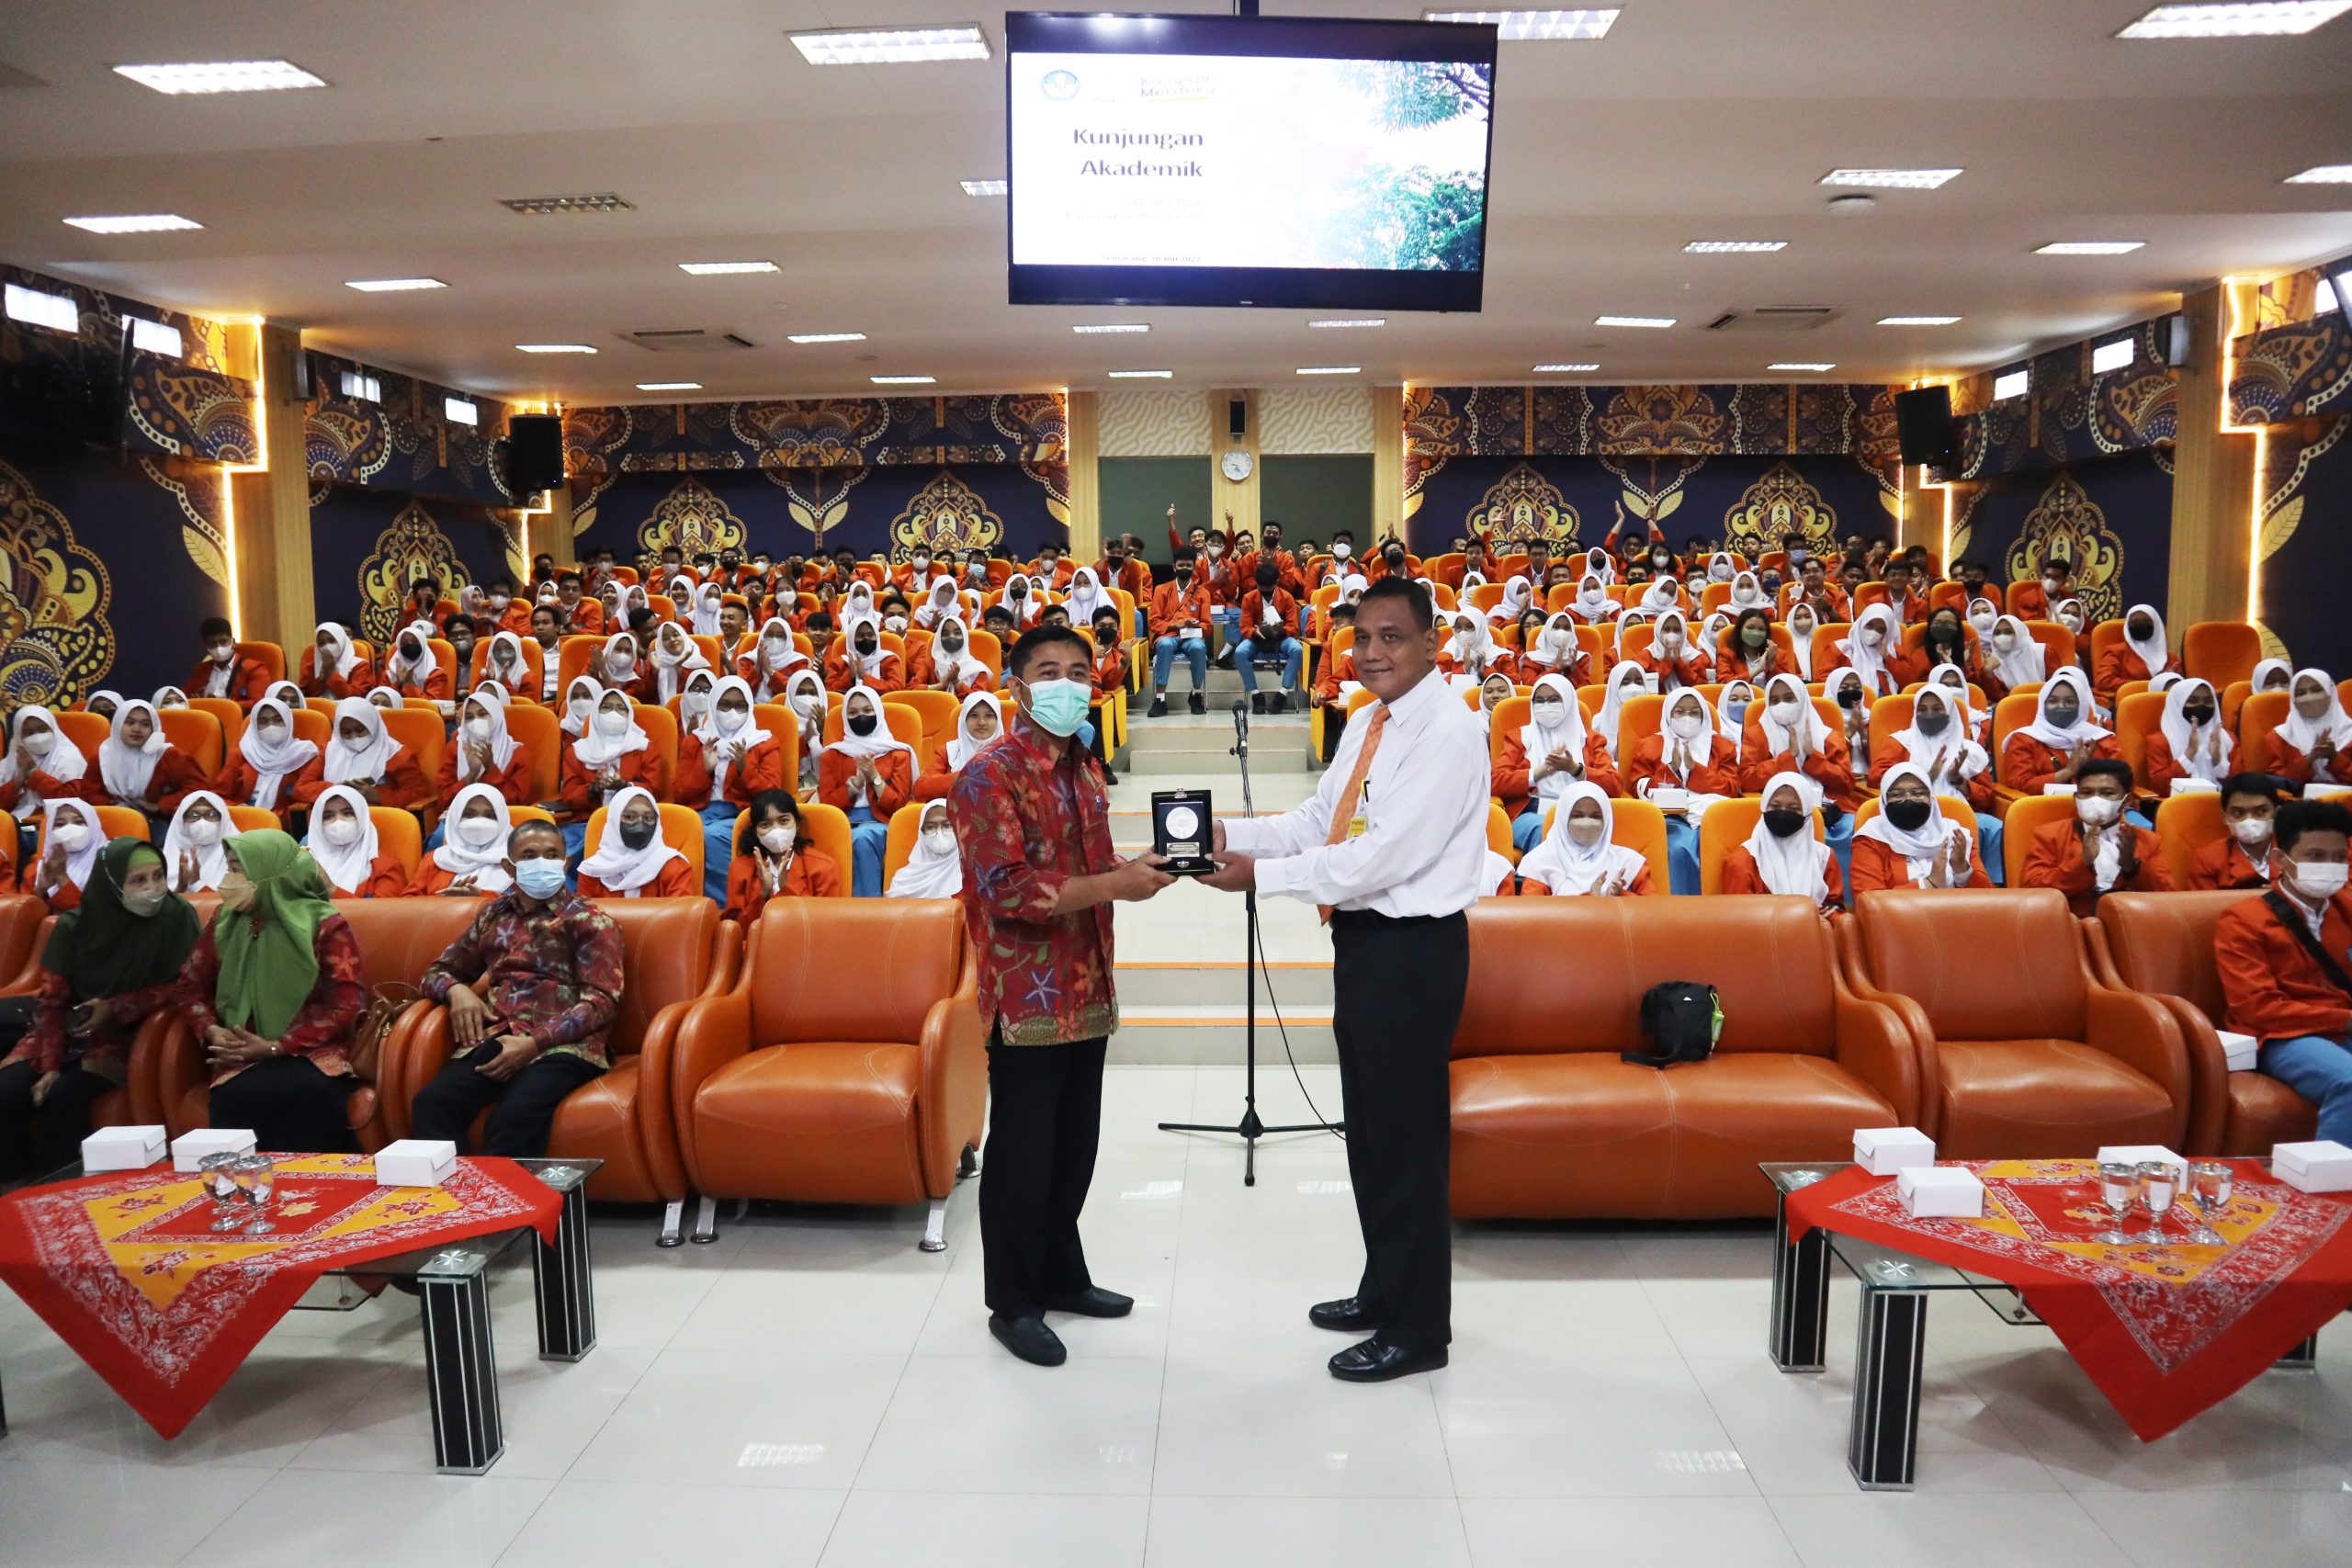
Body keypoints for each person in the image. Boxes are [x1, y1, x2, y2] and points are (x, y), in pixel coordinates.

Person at [1198, 576, 1485, 1383]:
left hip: (1414, 950)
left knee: (1405, 1143)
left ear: (1433, 644)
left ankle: (1419, 1327)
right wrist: (1227, 830)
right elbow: (1317, 823)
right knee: (1370, 1131)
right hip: (1363, 944)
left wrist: (1261, 875)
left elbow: (1382, 856)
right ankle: (1383, 1287)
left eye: (1392, 636)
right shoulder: (1367, 721)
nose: (1372, 652)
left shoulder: (1448, 730)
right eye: (1361, 638)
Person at [946, 622, 1171, 1369]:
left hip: (1089, 981)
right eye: (1050, 670)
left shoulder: (1084, 767)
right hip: (1027, 991)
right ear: (1018, 685)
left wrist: (1137, 869)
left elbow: (1095, 863)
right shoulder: (990, 773)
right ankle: (1012, 1301)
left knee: (1075, 1146)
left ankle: (1062, 1275)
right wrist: (1114, 884)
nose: (1068, 683)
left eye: (1080, 669)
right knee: (1023, 1152)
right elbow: (1005, 887)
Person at [409, 817, 624, 1157]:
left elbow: (602, 1001)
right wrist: (457, 991)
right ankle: (453, 1205)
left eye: (552, 854)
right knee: (432, 1103)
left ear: (566, 863)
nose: (543, 862)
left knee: (513, 1117)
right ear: (510, 868)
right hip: (499, 1036)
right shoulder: (493, 916)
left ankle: (510, 1209)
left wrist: (533, 1043)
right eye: (530, 855)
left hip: (565, 1047)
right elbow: (437, 972)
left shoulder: (590, 921)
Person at [0, 837, 202, 1178]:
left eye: (157, 876)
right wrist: (50, 1065)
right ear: (111, 882)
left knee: (64, 1098)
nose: (152, 888)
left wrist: (116, 1007)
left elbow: (187, 986)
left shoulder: (176, 916)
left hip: (125, 1036)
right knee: (7, 1092)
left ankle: (57, 1189)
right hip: (64, 1031)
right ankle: (14, 1189)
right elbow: (53, 999)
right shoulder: (75, 926)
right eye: (138, 880)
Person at [177, 830, 368, 1153]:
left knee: (310, 1093)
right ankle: (245, 1195)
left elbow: (347, 1007)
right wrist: (211, 1029)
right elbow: (189, 987)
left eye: (239, 870)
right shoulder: (224, 921)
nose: (229, 880)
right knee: (237, 1096)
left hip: (310, 1054)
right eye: (229, 869)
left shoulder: (325, 924)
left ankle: (315, 1191)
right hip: (239, 1053)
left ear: (268, 872)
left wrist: (277, 1047)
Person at [2216, 800, 2352, 1144]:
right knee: (2349, 1082)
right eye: (2316, 856)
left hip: (2342, 1024)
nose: (2330, 867)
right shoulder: (2243, 919)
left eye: (2339, 858)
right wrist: (2344, 1020)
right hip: (2281, 1036)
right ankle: (2333, 1194)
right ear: (2281, 860)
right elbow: (2257, 1009)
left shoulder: (2347, 907)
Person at [2020, 759, 2170, 914]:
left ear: (2127, 801)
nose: (2095, 800)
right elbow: (2033, 893)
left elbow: (2167, 898)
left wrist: (2132, 867)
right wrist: (2082, 862)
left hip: (2129, 923)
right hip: (2069, 924)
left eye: (2107, 793)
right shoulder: (2049, 835)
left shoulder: (2147, 840)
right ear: (2075, 799)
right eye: (2086, 793)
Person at [1492, 672, 1619, 852]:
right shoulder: (1519, 737)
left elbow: (1614, 784)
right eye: (1540, 701)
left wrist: (1575, 770)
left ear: (1567, 702)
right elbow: (1496, 782)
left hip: (1583, 812)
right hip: (1533, 813)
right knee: (1550, 829)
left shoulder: (1590, 740)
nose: (1546, 706)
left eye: (1553, 700)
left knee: (1585, 829)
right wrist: (1539, 772)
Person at [1632, 687, 1739, 894]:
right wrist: (1671, 769)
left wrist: (1695, 770)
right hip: (1668, 818)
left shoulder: (1723, 746)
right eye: (1679, 712)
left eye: (1694, 712)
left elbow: (1731, 788)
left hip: (1712, 817)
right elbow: (1638, 788)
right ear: (1668, 714)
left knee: (1722, 851)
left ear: (1704, 715)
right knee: (1678, 850)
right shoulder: (1650, 745)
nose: (1687, 718)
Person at [820, 684, 916, 897]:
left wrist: (873, 776)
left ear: (878, 713)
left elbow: (898, 805)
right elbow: (826, 806)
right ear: (845, 717)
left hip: (881, 822)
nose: (860, 716)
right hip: (842, 822)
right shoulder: (833, 754)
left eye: (867, 710)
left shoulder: (898, 753)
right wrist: (852, 789)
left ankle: (868, 909)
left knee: (862, 838)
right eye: (852, 712)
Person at [1849, 762, 1992, 892]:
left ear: (1931, 799)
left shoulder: (1956, 835)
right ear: (1885, 800)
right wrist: (1929, 883)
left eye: (1918, 793)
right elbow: (1869, 901)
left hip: (1959, 917)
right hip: (1898, 920)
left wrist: (1963, 870)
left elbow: (1989, 900)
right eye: (1897, 794)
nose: (1908, 799)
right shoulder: (1871, 838)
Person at [555, 683, 656, 853]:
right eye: (606, 708)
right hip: (586, 821)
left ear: (629, 715)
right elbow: (569, 795)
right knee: (564, 851)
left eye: (620, 708)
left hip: (632, 822)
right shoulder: (578, 751)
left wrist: (624, 787)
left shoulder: (644, 748)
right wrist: (593, 789)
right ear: (596, 714)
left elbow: (654, 789)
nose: (613, 714)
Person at [1723, 772, 1842, 908]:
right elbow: (1739, 920)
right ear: (1764, 808)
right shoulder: (1741, 863)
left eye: (1794, 809)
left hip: (1815, 928)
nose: (1783, 813)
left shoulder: (1824, 858)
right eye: (1775, 807)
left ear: (1807, 815)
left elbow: (1836, 911)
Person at [1514, 783, 1657, 897]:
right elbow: (1532, 919)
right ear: (1563, 819)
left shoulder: (1629, 863)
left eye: (1595, 817)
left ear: (1607, 820)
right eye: (1577, 816)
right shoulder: (1541, 862)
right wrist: (1591, 901)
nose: (1587, 823)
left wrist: (1621, 897)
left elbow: (1653, 912)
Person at [2001, 667, 2120, 797]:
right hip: (2046, 809)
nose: (2061, 706)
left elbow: (2123, 779)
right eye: (2053, 701)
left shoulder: (2100, 738)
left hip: (2104, 808)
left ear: (2081, 706)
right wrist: (2068, 772)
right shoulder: (2024, 739)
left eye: (2070, 702)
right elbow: (2020, 785)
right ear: (2043, 705)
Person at [722, 789, 842, 918]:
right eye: (765, 825)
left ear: (797, 824)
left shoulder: (824, 868)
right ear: (755, 831)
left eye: (784, 821)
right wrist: (762, 894)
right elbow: (735, 931)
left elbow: (825, 926)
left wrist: (787, 889)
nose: (776, 830)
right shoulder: (740, 869)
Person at [299, 695, 429, 810]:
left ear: (372, 725)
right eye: (346, 732)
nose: (354, 736)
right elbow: (301, 787)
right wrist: (335, 787)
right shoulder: (329, 751)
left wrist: (376, 795)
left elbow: (418, 793)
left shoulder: (396, 755)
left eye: (360, 730)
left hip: (377, 816)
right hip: (333, 815)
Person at [575, 784, 695, 898]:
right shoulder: (592, 871)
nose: (640, 824)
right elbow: (582, 918)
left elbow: (682, 917)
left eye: (648, 818)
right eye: (630, 817)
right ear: (614, 821)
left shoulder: (673, 865)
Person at [94, 698, 207, 818]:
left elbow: (199, 787)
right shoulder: (104, 756)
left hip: (158, 819)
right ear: (117, 725)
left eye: (145, 724)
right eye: (129, 722)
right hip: (115, 817)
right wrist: (111, 803)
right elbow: (87, 792)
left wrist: (160, 805)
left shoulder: (169, 756)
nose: (137, 729)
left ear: (154, 729)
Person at [216, 695, 319, 815]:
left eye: (278, 720)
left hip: (282, 822)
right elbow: (218, 795)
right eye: (263, 722)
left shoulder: (303, 754)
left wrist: (270, 818)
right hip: (241, 817)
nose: (271, 726)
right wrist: (239, 810)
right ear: (254, 727)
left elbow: (302, 799)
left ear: (288, 722)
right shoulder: (241, 754)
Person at [408, 783, 515, 897]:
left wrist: (481, 897)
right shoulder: (435, 860)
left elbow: (527, 908)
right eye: (469, 815)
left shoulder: (518, 862)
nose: (479, 823)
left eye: (490, 816)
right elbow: (406, 905)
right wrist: (444, 902)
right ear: (455, 819)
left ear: (503, 821)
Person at [304, 784, 408, 897]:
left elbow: (385, 914)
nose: (339, 822)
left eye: (347, 813)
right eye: (328, 816)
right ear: (318, 824)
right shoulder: (304, 865)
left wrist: (332, 889)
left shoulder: (385, 867)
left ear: (361, 818)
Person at [437, 691, 532, 810]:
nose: (476, 721)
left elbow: (517, 803)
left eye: (482, 714)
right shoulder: (455, 748)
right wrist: (471, 775)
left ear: (496, 717)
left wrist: (491, 768)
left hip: (503, 818)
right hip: (460, 816)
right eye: (470, 717)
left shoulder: (518, 754)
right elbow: (443, 801)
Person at [1, 705, 92, 829]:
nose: (37, 738)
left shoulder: (69, 757)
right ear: (19, 737)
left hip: (57, 822)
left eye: (43, 729)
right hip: (14, 823)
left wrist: (34, 774)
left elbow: (72, 802)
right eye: (29, 733)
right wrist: (18, 781)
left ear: (53, 728)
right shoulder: (11, 761)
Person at [1148, 547, 1213, 716]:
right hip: (1169, 635)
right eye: (1181, 565)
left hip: (1192, 637)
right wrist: (1179, 624)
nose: (1185, 568)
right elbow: (1154, 623)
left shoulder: (1203, 593)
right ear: (1174, 566)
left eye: (1188, 565)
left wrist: (1195, 625)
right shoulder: (1161, 590)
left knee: (1199, 648)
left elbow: (1208, 625)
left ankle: (1196, 694)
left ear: (1194, 567)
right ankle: (1160, 699)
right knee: (1164, 645)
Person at [2190, 773, 2283, 889]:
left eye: (2261, 811)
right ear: (2225, 817)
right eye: (2238, 813)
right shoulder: (2208, 860)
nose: (2250, 820)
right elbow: (2201, 906)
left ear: (2277, 813)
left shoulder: (2295, 852)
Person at [2146, 677, 2234, 796]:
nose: (2201, 706)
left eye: (2208, 701)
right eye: (2193, 701)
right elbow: (2159, 787)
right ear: (2178, 704)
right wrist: (2189, 754)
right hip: (2177, 806)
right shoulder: (2159, 741)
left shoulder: (2227, 739)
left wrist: (2217, 759)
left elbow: (2240, 785)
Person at [2268, 669, 2352, 790]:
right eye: (2300, 693)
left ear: (2331, 694)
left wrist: (2334, 757)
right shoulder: (2279, 736)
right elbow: (2276, 784)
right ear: (2292, 700)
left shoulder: (2349, 732)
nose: (2309, 698)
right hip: (2299, 804)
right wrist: (2309, 759)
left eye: (2317, 690)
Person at [1237, 562, 1303, 713]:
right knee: (1240, 652)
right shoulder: (1248, 598)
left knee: (1297, 649)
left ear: (1276, 582)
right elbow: (1245, 626)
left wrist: (1281, 630)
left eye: (1269, 587)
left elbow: (1293, 626)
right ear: (1256, 583)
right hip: (1257, 637)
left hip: (1281, 637)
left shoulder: (1287, 597)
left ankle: (1282, 694)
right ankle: (1256, 695)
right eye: (1262, 587)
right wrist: (1254, 632)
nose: (1265, 590)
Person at [23, 798, 107, 912]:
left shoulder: (108, 867)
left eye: (79, 822)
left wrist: (62, 877)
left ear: (94, 826)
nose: (69, 829)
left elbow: (94, 917)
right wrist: (40, 890)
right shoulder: (39, 870)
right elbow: (21, 917)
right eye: (60, 824)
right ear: (50, 832)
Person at [2096, 602, 2176, 704]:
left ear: (2156, 625)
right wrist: (2149, 684)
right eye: (2135, 622)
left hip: (2165, 704)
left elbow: (2179, 685)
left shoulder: (2171, 659)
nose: (2140, 624)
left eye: (2145, 621)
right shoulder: (2117, 652)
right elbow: (2104, 681)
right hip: (2129, 702)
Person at [888, 799, 963, 898]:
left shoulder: (975, 874)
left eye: (947, 825)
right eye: (930, 827)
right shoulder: (903, 881)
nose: (939, 832)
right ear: (921, 833)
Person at [192, 617, 272, 707]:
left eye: (223, 642)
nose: (218, 648)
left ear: (233, 642)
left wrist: (218, 705)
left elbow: (258, 704)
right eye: (212, 643)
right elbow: (184, 699)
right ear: (206, 646)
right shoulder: (201, 670)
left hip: (237, 719)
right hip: (206, 719)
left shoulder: (254, 669)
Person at [379, 621, 448, 705]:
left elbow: (432, 706)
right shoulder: (388, 675)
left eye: (415, 642)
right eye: (404, 643)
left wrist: (409, 684)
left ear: (423, 645)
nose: (410, 645)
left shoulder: (437, 675)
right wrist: (398, 683)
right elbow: (381, 703)